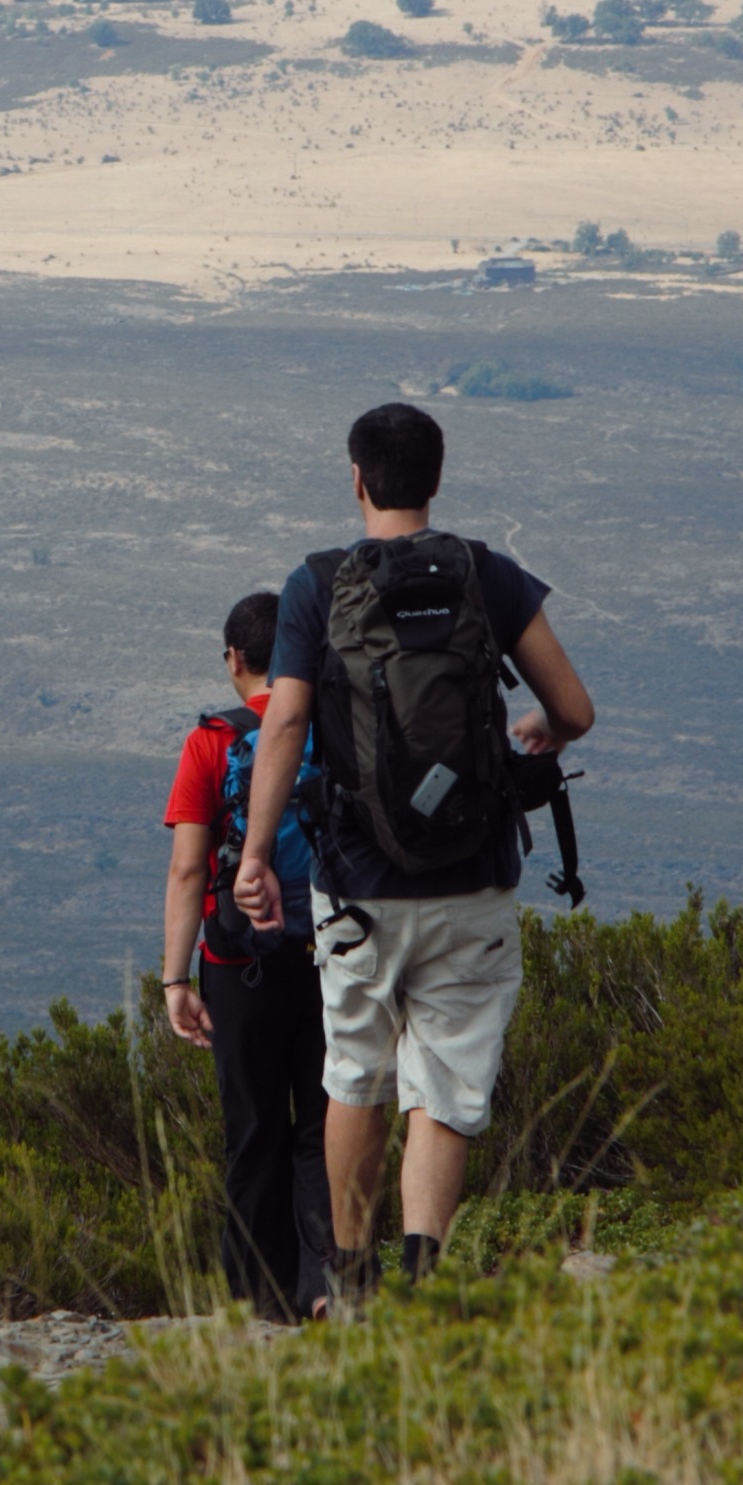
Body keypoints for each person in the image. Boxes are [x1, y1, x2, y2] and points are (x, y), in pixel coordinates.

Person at [232, 403, 595, 1302]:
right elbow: (575, 710)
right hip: (473, 876)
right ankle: (421, 1279)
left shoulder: (317, 586)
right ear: (435, 477)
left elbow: (282, 722)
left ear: (356, 479)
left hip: (356, 882)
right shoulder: (488, 575)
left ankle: (350, 1281)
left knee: (352, 1074)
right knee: (447, 1084)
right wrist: (538, 728)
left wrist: (251, 856)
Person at [161, 591, 333, 1323]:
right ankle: (328, 1288)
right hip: (333, 954)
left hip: (236, 967)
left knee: (253, 1131)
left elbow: (188, 871)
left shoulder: (210, 742)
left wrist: (174, 978)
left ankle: (253, 1302)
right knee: (325, 1127)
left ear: (233, 658)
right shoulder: (328, 730)